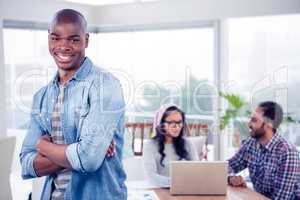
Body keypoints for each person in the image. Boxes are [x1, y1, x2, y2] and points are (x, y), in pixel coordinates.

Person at [19, 9, 127, 200]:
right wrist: (83, 150)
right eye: (56, 38)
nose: (63, 46)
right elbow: (27, 163)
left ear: (86, 40)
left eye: (73, 39)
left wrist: (44, 147)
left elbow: (90, 159)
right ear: (48, 39)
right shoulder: (41, 97)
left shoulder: (105, 85)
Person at [228, 101, 300, 199]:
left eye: (254, 120)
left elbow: (280, 198)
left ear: (269, 124)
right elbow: (226, 168)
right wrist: (231, 178)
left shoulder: (287, 152)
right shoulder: (251, 144)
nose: (248, 124)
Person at [143, 104, 199, 187]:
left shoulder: (188, 143)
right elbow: (151, 177)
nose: (176, 127)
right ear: (161, 124)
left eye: (179, 122)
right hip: (159, 191)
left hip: (185, 190)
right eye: (171, 123)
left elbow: (198, 171)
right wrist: (176, 183)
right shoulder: (150, 145)